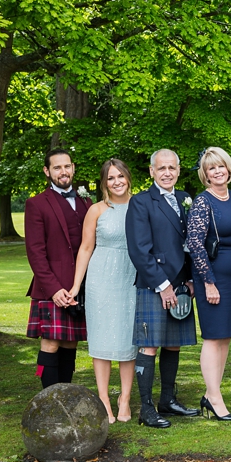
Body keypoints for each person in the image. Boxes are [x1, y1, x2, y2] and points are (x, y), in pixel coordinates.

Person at [126, 149, 200, 428]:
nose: (167, 172)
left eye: (172, 167)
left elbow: (194, 243)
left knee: (173, 344)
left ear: (179, 170)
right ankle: (146, 409)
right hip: (154, 285)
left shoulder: (185, 199)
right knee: (150, 345)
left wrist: (191, 279)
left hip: (182, 284)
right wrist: (164, 285)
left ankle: (167, 400)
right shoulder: (141, 202)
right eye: (162, 168)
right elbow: (139, 250)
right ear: (151, 171)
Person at [68, 159, 138, 423]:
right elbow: (86, 248)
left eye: (121, 176)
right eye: (111, 178)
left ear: (128, 178)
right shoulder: (96, 210)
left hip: (130, 276)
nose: (117, 181)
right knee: (102, 340)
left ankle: (125, 399)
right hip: (101, 278)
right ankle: (103, 398)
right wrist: (76, 286)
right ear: (104, 182)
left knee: (129, 339)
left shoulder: (139, 206)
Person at [186, 147, 231, 421]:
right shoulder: (202, 202)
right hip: (212, 276)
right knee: (212, 337)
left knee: (225, 336)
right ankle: (215, 398)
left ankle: (212, 393)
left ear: (228, 168)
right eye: (211, 168)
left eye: (221, 166)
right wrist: (208, 283)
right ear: (205, 174)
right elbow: (196, 245)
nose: (218, 171)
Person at [25, 148, 92, 389]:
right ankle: (49, 399)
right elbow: (35, 252)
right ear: (47, 171)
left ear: (73, 168)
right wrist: (54, 289)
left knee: (71, 342)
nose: (63, 172)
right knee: (51, 342)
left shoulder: (87, 201)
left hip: (80, 285)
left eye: (66, 166)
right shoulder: (36, 204)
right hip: (51, 287)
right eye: (57, 167)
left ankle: (65, 394)